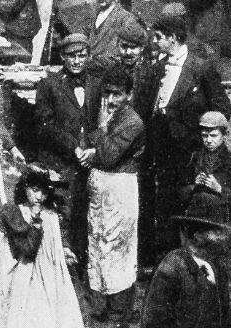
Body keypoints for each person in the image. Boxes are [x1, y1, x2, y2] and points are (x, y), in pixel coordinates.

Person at [135, 15, 231, 267]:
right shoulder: (158, 67)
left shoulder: (200, 69)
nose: (154, 42)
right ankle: (158, 257)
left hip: (187, 151)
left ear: (173, 38)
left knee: (181, 202)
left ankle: (181, 259)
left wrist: (202, 138)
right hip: (158, 146)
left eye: (158, 37)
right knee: (157, 200)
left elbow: (222, 108)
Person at [32, 33, 102, 266]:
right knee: (62, 210)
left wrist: (91, 148)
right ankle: (57, 262)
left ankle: (82, 262)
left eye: (82, 56)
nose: (77, 61)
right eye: (71, 56)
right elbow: (45, 125)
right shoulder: (49, 84)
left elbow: (102, 121)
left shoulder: (96, 83)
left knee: (86, 211)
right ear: (62, 57)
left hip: (88, 161)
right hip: (61, 161)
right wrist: (73, 147)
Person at [84, 67, 146, 326]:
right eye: (108, 93)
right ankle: (103, 305)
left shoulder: (132, 122)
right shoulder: (110, 115)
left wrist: (99, 132)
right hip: (102, 185)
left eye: (117, 95)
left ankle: (119, 312)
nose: (111, 100)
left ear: (129, 95)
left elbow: (108, 155)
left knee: (117, 247)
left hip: (120, 188)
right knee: (98, 242)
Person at [0, 169, 83, 328]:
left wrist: (64, 249)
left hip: (47, 269)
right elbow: (27, 249)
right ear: (25, 188)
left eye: (44, 192)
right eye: (35, 190)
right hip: (23, 268)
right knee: (24, 307)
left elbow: (57, 238)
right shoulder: (16, 213)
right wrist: (35, 222)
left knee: (46, 307)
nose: (39, 196)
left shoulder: (51, 215)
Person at [139, 199, 231, 328]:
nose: (222, 238)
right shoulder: (173, 265)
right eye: (216, 232)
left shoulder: (217, 267)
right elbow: (154, 320)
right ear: (197, 235)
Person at [84, 0, 146, 76]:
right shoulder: (95, 15)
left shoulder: (126, 18)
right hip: (89, 74)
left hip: (110, 75)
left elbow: (126, 53)